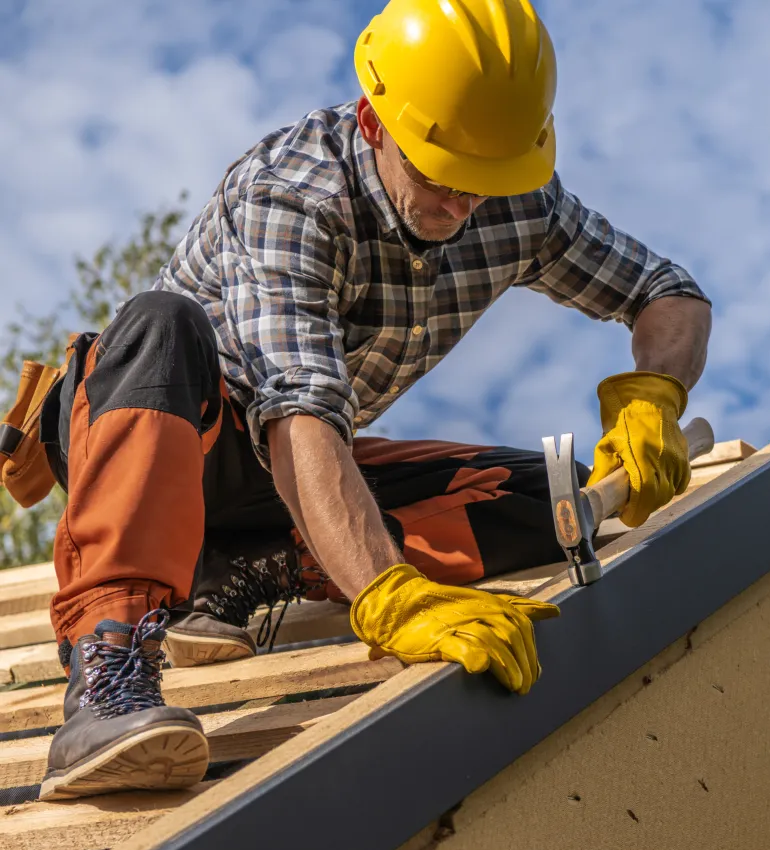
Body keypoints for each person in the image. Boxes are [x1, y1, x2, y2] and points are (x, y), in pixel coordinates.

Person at [29, 0, 711, 802]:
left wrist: (652, 397)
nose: (463, 206)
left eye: (485, 183)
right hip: (165, 436)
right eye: (440, 176)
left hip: (281, 478)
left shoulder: (514, 200)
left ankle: (241, 567)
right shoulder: (291, 195)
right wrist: (385, 594)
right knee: (159, 324)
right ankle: (108, 675)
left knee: (548, 501)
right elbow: (299, 412)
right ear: (375, 122)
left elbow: (669, 294)